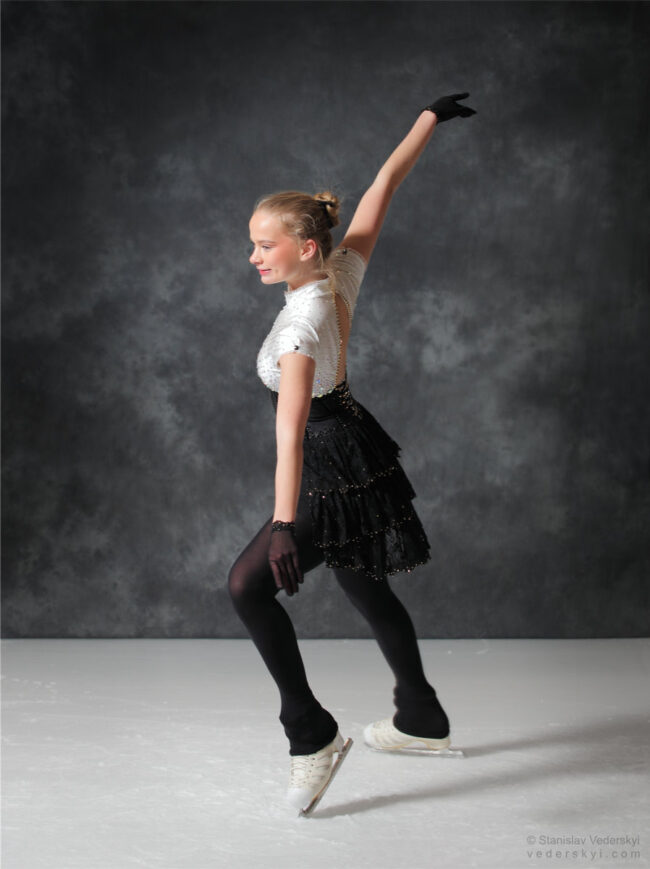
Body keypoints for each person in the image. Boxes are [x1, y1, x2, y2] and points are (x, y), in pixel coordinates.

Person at [228, 93, 476, 814]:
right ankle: (420, 716)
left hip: (327, 460)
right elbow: (381, 186)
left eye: (263, 245)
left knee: (246, 587)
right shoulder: (340, 270)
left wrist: (282, 525)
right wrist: (428, 118)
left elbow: (290, 432)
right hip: (356, 442)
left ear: (304, 247)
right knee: (366, 584)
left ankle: (311, 734)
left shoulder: (303, 325)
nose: (253, 257)